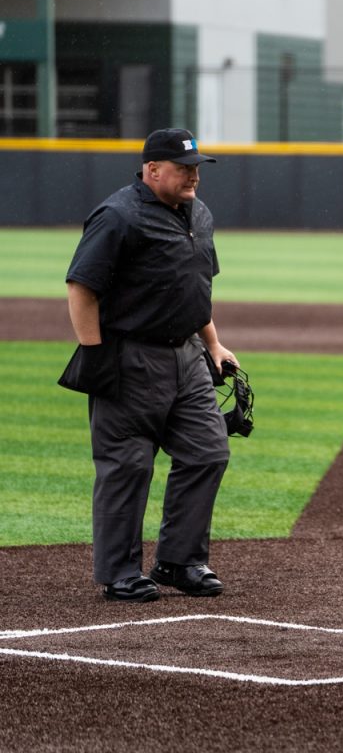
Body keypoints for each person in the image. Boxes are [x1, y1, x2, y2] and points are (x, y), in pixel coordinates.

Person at [61, 128, 236, 602]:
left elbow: (193, 289)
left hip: (188, 357)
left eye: (197, 168)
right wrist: (95, 354)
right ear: (152, 170)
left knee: (208, 453)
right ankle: (119, 572)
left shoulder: (198, 214)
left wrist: (214, 346)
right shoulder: (119, 215)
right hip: (129, 356)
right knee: (127, 466)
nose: (194, 177)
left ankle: (180, 561)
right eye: (184, 169)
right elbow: (81, 287)